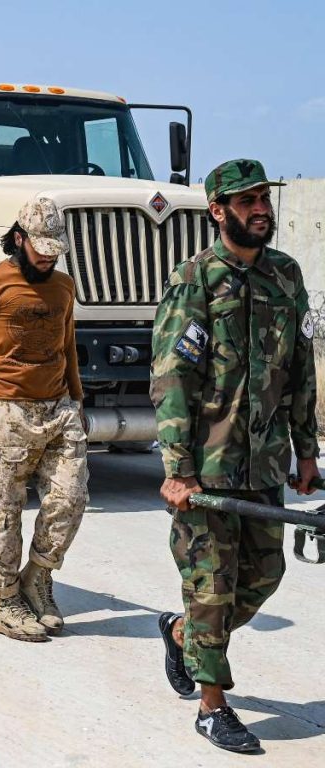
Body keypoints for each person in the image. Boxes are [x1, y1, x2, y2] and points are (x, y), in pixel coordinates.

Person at [151, 159, 319, 754]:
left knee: (264, 578)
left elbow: (300, 369)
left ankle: (179, 633)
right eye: (246, 201)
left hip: (266, 463)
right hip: (207, 468)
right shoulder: (194, 279)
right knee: (211, 589)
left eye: (263, 199)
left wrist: (306, 452)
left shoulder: (286, 276)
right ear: (218, 211)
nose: (261, 210)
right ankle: (212, 706)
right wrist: (178, 468)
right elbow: (172, 376)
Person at [0, 197, 88, 643]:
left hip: (59, 406)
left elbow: (67, 347)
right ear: (19, 238)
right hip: (6, 411)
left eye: (54, 249)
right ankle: (3, 601)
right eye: (40, 247)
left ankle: (38, 577)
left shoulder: (63, 287)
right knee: (3, 512)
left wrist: (78, 403)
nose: (47, 256)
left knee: (71, 498)